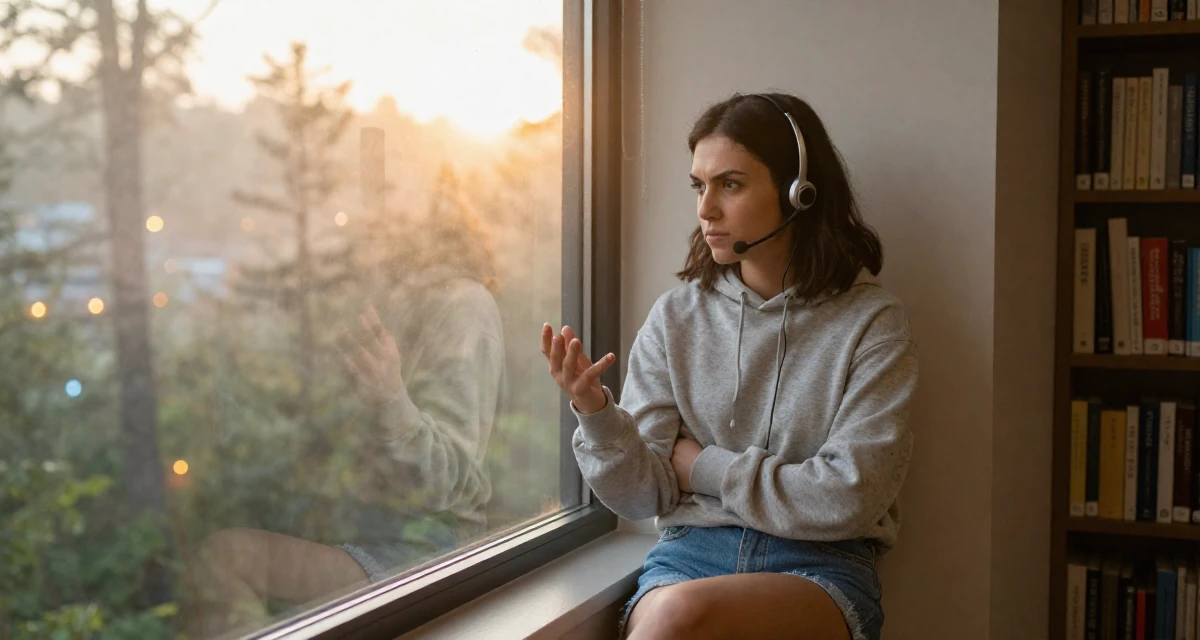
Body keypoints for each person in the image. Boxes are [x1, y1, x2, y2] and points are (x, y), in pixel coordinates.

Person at [540, 91, 917, 640]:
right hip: (690, 557)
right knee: (672, 616)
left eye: (730, 184)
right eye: (699, 185)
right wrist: (596, 413)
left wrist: (703, 468)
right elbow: (646, 496)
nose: (705, 209)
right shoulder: (676, 317)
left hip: (817, 567)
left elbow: (849, 498)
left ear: (799, 192)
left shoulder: (873, 322)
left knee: (676, 619)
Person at [190, 192, 506, 638]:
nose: (361, 229)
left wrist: (390, 398)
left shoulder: (461, 306)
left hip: (425, 548)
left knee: (225, 558)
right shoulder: (386, 298)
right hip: (364, 524)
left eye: (384, 216)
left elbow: (450, 482)